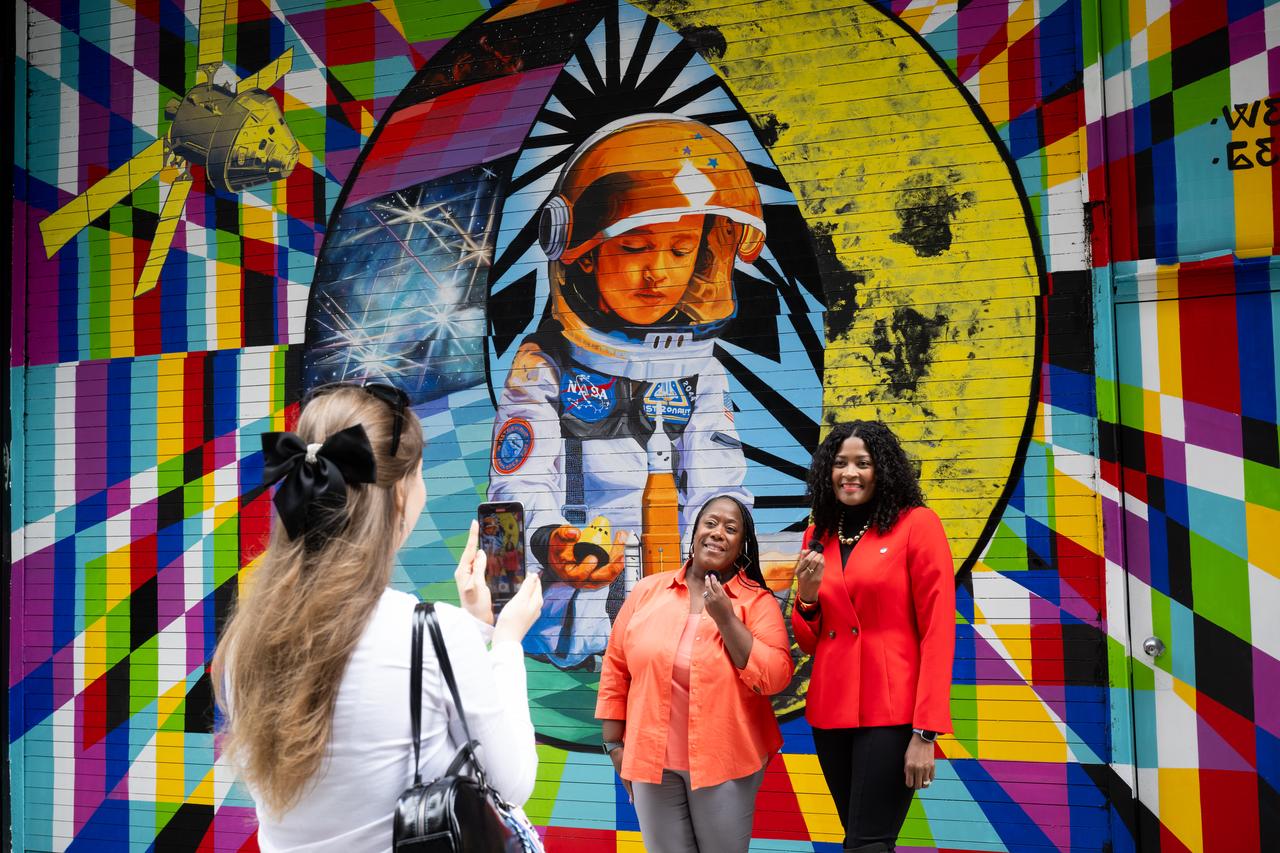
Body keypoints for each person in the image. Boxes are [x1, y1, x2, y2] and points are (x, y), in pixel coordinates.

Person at [212, 384, 544, 852]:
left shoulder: (245, 638)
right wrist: (506, 643)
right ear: (401, 497)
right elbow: (512, 785)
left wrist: (474, 627)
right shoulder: (433, 634)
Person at [488, 114, 766, 668]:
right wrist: (552, 545)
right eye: (636, 247)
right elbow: (506, 507)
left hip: (680, 626)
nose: (659, 274)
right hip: (573, 629)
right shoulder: (543, 366)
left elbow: (720, 484)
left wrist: (725, 538)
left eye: (682, 250)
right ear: (582, 251)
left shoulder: (701, 371)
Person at [791, 421, 956, 853]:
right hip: (830, 712)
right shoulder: (818, 534)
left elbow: (938, 632)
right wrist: (806, 598)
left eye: (863, 463)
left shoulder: (917, 525)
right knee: (860, 840)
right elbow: (812, 640)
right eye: (841, 463)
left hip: (893, 713)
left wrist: (926, 732)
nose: (851, 473)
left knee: (868, 842)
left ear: (882, 470)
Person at [596, 494, 793, 853]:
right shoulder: (646, 592)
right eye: (711, 523)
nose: (718, 533)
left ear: (742, 546)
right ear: (695, 532)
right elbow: (616, 668)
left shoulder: (757, 603)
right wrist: (614, 745)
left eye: (731, 529)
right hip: (651, 765)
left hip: (725, 762)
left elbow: (775, 677)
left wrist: (726, 618)